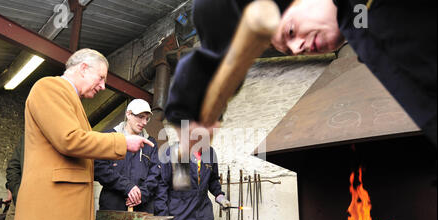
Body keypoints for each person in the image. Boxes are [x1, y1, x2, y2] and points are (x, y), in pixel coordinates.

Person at [164, 0, 436, 148]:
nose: (298, 47)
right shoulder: (359, 18)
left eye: (291, 31)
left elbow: (218, 9)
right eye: (290, 51)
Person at [2, 48, 154, 220]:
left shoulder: (71, 101)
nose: (103, 86)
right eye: (101, 78)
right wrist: (121, 142)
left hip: (65, 214)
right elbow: (69, 140)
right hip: (53, 212)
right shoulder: (49, 88)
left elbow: (79, 153)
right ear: (83, 68)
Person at [156, 145, 230, 220]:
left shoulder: (210, 152)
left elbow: (213, 180)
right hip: (180, 214)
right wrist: (163, 215)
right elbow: (162, 186)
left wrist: (220, 196)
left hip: (203, 215)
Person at [94, 99, 160, 213]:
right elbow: (99, 168)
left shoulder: (150, 143)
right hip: (112, 206)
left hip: (142, 207)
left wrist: (141, 194)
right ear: (128, 114)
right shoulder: (110, 137)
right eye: (140, 116)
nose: (144, 122)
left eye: (147, 118)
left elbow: (155, 174)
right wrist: (127, 187)